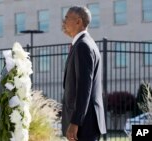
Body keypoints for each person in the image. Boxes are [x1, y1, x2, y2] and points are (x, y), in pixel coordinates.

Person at [61, 6, 107, 141]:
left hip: (84, 125)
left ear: (78, 21)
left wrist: (75, 122)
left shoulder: (83, 46)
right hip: (86, 122)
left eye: (66, 18)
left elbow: (84, 88)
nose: (64, 22)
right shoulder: (85, 44)